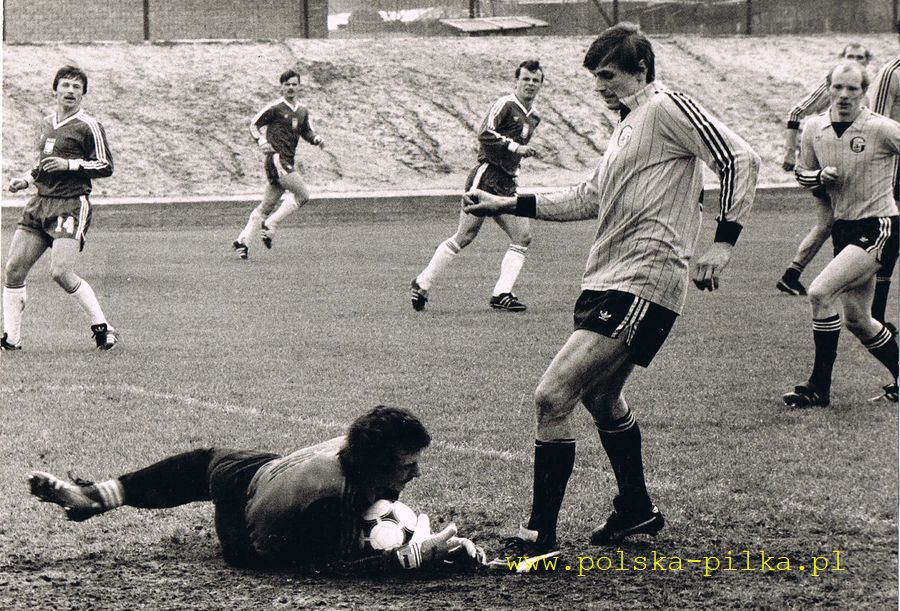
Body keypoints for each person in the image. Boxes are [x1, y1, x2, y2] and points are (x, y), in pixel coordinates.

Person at [462, 23, 759, 562]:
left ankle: (539, 536)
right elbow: (589, 196)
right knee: (600, 398)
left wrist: (723, 243)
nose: (599, 87)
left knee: (552, 395)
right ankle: (636, 507)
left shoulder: (667, 106)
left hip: (644, 277)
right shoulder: (628, 124)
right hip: (607, 276)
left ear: (640, 70)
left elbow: (740, 158)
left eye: (607, 76)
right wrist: (506, 204)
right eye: (596, 78)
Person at [28, 405, 486, 572]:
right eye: (408, 466)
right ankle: (92, 497)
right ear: (375, 466)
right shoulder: (328, 502)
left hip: (263, 471)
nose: (416, 474)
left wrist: (427, 540)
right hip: (245, 525)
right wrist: (410, 558)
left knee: (205, 460)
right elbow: (332, 567)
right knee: (256, 547)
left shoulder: (358, 455)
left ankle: (94, 498)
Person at [782, 61, 899, 407]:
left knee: (820, 292)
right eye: (838, 87)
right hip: (845, 228)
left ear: (864, 93)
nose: (844, 95)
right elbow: (802, 173)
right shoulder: (814, 128)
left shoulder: (880, 128)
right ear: (828, 88)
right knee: (859, 320)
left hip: (880, 226)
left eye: (852, 89)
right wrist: (819, 178)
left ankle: (818, 387)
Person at [410, 59, 544, 313]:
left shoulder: (535, 116)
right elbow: (485, 134)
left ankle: (501, 294)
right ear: (516, 81)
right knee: (466, 235)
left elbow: (514, 154)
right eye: (525, 79)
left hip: (507, 182)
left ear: (540, 85)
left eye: (535, 80)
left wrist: (515, 171)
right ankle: (422, 282)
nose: (530, 84)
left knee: (523, 236)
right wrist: (516, 147)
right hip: (485, 177)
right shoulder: (505, 105)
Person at [2, 65, 116, 351]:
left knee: (61, 272)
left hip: (71, 203)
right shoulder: (46, 123)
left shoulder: (88, 126)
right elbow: (43, 162)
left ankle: (103, 327)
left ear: (83, 94)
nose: (70, 91)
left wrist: (71, 164)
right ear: (55, 89)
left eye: (77, 87)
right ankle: (11, 340)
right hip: (40, 202)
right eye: (65, 85)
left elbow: (105, 165)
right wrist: (27, 180)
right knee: (13, 270)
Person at [776, 43, 871, 297]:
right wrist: (789, 150)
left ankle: (794, 275)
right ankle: (805, 276)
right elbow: (796, 112)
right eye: (850, 56)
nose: (854, 60)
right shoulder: (834, 87)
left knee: (832, 223)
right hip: (824, 161)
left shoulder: (864, 90)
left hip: (849, 163)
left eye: (860, 57)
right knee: (830, 222)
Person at [232, 69, 325, 259]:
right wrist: (261, 141)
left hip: (287, 160)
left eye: (294, 84)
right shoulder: (275, 108)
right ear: (281, 87)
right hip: (277, 159)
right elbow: (253, 125)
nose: (291, 87)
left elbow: (307, 131)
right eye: (287, 84)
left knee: (266, 206)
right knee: (303, 195)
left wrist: (316, 139)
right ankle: (271, 224)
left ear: (299, 87)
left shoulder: (302, 110)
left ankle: (242, 241)